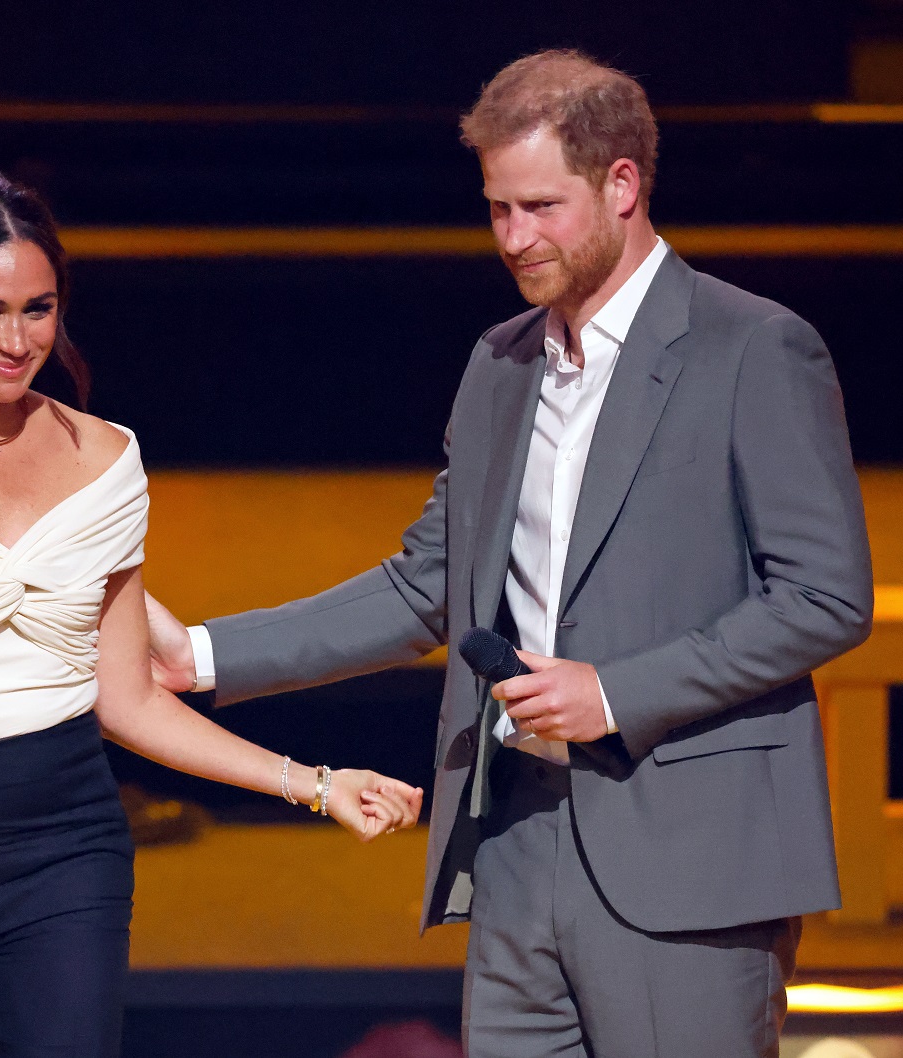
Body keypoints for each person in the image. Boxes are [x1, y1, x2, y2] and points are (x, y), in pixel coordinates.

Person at [145, 50, 875, 1058]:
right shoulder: (501, 362)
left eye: (539, 206)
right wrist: (202, 655)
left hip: (686, 855)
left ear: (623, 183)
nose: (514, 238)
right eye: (496, 209)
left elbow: (823, 596)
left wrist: (615, 692)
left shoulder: (752, 348)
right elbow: (429, 583)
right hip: (517, 842)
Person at [0, 173, 422, 1058]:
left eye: (40, 309)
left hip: (65, 840)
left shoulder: (105, 459)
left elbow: (130, 700)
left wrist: (316, 782)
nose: (18, 339)